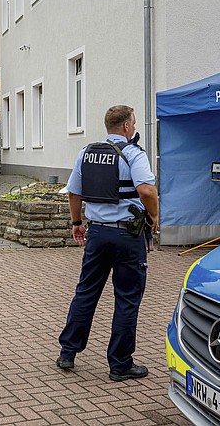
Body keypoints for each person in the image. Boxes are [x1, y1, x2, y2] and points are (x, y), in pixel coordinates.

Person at [56, 105, 159, 381]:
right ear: (126, 127)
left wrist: (77, 223)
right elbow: (146, 189)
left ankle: (68, 351)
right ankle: (120, 363)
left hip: (98, 234)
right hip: (127, 236)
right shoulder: (134, 154)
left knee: (86, 291)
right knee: (126, 298)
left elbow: (74, 192)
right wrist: (155, 214)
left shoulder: (86, 154)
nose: (134, 128)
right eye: (134, 123)